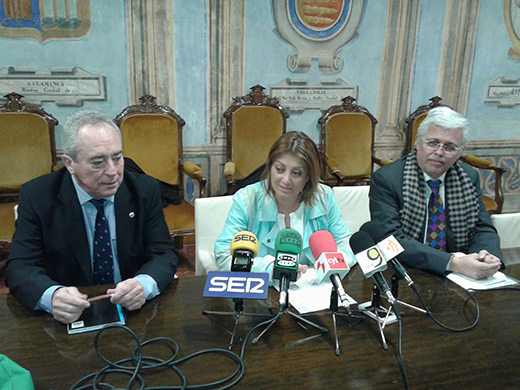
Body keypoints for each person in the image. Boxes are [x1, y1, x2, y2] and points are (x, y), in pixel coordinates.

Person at [5, 110, 178, 324]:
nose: (113, 172)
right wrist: (52, 296)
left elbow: (164, 254)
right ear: (69, 163)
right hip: (68, 317)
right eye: (98, 162)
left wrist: (144, 284)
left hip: (133, 312)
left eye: (117, 158)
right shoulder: (38, 196)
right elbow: (20, 267)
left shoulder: (144, 189)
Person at [369, 106, 504, 280]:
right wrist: (454, 263)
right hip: (406, 272)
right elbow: (390, 242)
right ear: (417, 142)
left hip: (462, 276)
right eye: (433, 143)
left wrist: (487, 257)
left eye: (449, 147)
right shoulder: (387, 179)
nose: (439, 152)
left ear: (460, 151)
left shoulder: (468, 177)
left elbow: (482, 227)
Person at [214, 131, 357, 283]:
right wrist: (271, 269)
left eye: (296, 173)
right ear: (270, 167)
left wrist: (325, 268)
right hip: (264, 293)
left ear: (308, 176)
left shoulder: (323, 197)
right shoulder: (247, 200)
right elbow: (224, 255)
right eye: (279, 169)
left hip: (313, 291)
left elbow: (346, 244)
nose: (286, 180)